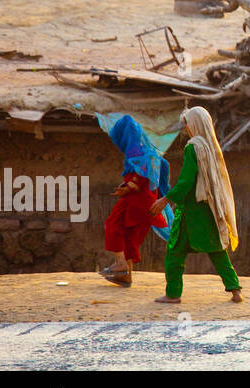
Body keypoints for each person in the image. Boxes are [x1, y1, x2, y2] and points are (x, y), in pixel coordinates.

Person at [149, 107, 242, 304]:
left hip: (191, 211)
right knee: (217, 249)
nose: (186, 129)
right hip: (208, 209)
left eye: (188, 124)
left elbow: (186, 181)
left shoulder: (193, 147)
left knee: (175, 251)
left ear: (195, 125)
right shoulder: (210, 146)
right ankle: (235, 290)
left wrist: (165, 199)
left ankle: (173, 294)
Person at [100, 115, 173, 287]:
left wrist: (127, 188)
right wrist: (127, 185)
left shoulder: (137, 151)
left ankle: (120, 264)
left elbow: (141, 176)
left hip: (136, 201)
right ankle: (126, 275)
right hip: (149, 203)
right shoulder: (151, 153)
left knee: (113, 225)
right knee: (131, 237)